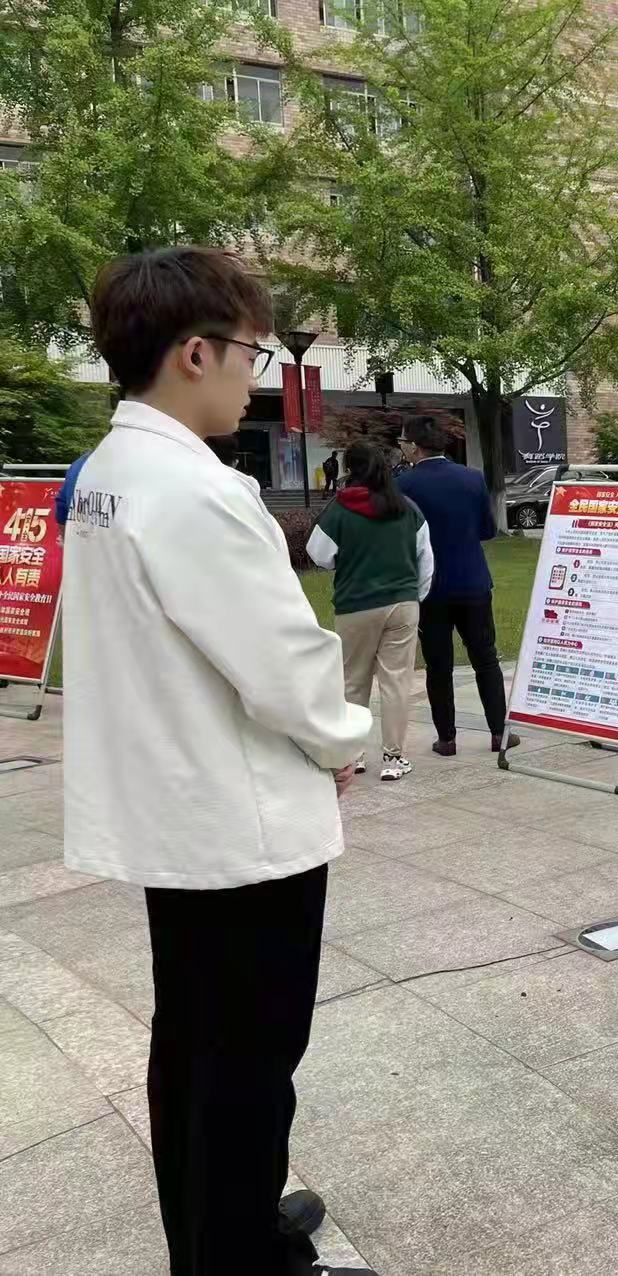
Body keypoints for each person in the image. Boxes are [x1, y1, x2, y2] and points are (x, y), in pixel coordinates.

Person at [61, 247, 376, 1276]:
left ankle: (221, 1235)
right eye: (252, 351)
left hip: (177, 808)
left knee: (194, 1047)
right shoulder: (197, 490)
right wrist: (342, 739)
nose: (256, 374)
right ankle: (237, 1256)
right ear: (194, 353)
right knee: (247, 1063)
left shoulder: (110, 473)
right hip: (240, 824)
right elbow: (283, 665)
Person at [307, 440, 434, 782]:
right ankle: (393, 757)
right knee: (396, 682)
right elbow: (426, 559)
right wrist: (415, 597)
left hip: (355, 605)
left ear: (349, 468)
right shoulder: (405, 507)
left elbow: (318, 552)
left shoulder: (340, 508)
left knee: (353, 681)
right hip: (402, 604)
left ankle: (355, 755)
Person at [395, 415, 515, 755]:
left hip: (429, 586)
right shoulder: (472, 478)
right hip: (473, 581)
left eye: (402, 443)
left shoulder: (403, 485)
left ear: (414, 447)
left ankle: (446, 739)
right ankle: (499, 733)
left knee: (438, 665)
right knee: (485, 658)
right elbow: (487, 530)